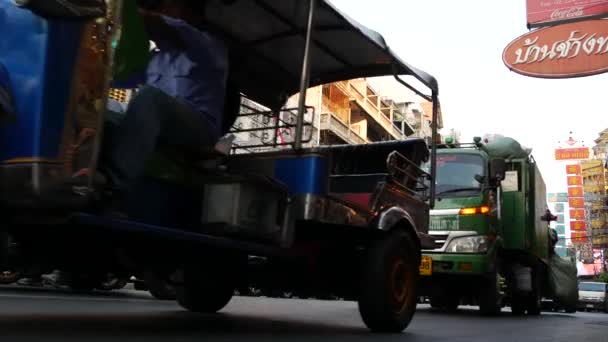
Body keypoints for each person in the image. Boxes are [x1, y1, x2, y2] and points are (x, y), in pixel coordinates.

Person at [97, 0, 229, 202]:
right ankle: (87, 173)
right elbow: (121, 82)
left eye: (169, 8)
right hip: (160, 121)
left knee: (151, 97)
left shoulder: (208, 45)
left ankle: (113, 186)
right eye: (160, 9)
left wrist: (121, 9)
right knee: (106, 112)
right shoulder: (154, 58)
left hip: (199, 128)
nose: (162, 12)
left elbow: (159, 23)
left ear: (192, 16)